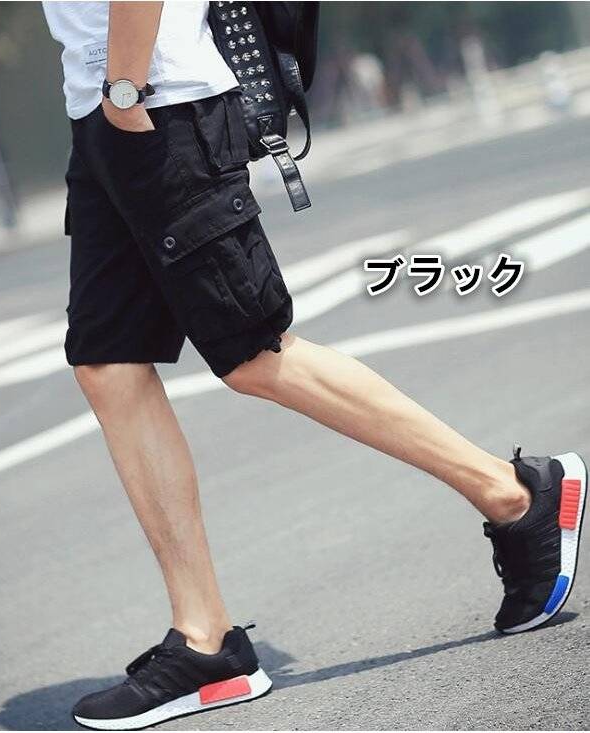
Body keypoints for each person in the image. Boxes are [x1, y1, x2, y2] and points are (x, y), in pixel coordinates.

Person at [42, 2, 587, 729]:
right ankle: (206, 640)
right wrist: (106, 102)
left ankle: (513, 493)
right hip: (102, 114)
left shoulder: (139, 94)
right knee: (107, 364)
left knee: (253, 353)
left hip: (158, 105)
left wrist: (124, 88)